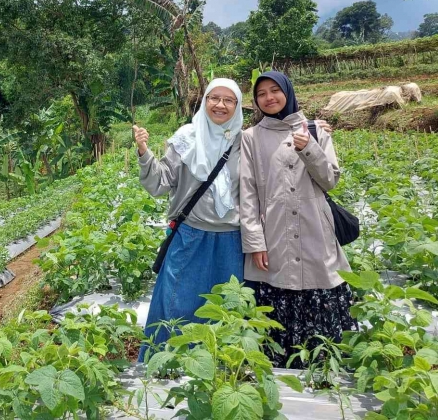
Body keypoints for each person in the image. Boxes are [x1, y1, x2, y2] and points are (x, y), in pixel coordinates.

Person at [240, 71, 356, 368]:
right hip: (274, 231)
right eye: (261, 93)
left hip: (315, 228)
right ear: (255, 101)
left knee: (319, 284)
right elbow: (248, 192)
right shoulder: (251, 138)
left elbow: (330, 181)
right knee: (277, 291)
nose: (269, 98)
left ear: (288, 93)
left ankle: (323, 366)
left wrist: (309, 148)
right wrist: (255, 242)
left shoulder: (316, 131)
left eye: (275, 90)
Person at [133, 78, 244, 360]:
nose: (220, 105)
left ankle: (220, 370)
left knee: (226, 311)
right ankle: (166, 366)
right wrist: (145, 154)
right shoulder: (186, 137)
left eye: (228, 100)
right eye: (214, 98)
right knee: (177, 306)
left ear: (238, 105)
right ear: (204, 101)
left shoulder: (246, 141)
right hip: (190, 236)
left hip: (232, 241)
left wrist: (314, 131)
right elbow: (160, 184)